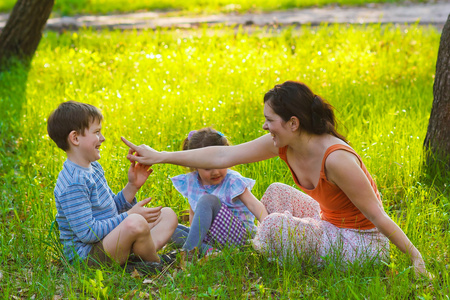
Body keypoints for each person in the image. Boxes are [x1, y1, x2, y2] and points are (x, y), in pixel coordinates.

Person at [121, 81, 429, 277]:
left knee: (272, 224)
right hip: (330, 225)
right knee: (276, 192)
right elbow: (222, 156)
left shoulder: (336, 159)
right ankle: (264, 241)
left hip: (363, 243)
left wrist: (416, 258)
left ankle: (262, 241)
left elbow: (378, 216)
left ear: (293, 123)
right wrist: (160, 155)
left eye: (270, 120)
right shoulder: (282, 143)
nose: (265, 126)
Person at [47, 101, 178, 272]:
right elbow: (88, 234)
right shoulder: (73, 183)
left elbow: (110, 210)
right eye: (96, 132)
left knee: (167, 215)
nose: (103, 138)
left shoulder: (93, 167)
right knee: (135, 222)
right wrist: (130, 215)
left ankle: (137, 260)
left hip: (110, 240)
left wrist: (132, 186)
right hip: (88, 258)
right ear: (75, 138)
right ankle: (156, 264)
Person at [170, 127, 268, 256]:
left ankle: (188, 253)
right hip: (211, 238)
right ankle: (210, 251)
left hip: (239, 238)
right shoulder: (191, 182)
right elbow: (194, 217)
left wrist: (268, 230)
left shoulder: (232, 180)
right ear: (193, 164)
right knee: (168, 227)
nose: (215, 172)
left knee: (208, 200)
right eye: (207, 167)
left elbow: (254, 205)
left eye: (219, 164)